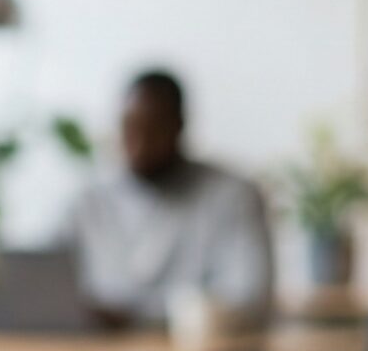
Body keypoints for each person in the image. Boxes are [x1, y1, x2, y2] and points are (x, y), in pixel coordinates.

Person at [67, 69, 274, 330]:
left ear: (179, 127)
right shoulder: (89, 201)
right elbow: (43, 281)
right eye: (130, 128)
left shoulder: (233, 195)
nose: (139, 145)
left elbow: (248, 297)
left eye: (153, 130)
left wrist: (137, 318)